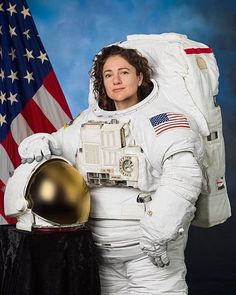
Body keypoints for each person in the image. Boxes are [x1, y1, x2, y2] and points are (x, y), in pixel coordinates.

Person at [18, 45, 204, 294]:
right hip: (99, 252)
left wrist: (158, 232)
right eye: (108, 75)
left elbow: (184, 176)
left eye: (124, 72)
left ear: (140, 78)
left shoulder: (161, 119)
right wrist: (37, 143)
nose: (115, 80)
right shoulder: (87, 120)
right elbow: (54, 145)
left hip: (148, 252)